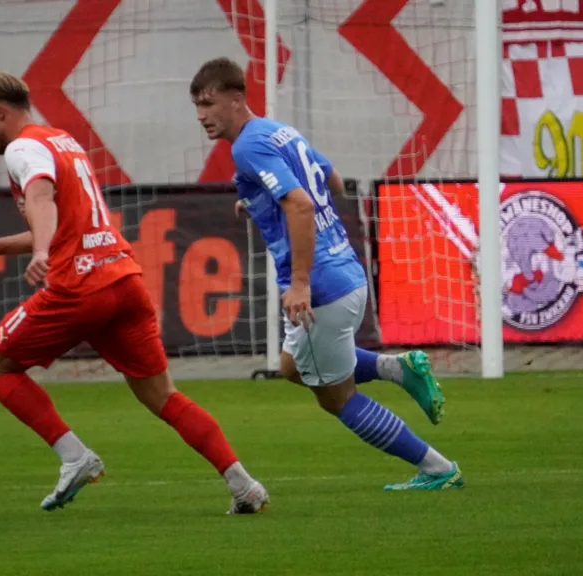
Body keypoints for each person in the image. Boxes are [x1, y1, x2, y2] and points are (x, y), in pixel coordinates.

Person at [0, 70, 268, 513]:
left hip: (79, 287)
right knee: (163, 396)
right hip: (123, 280)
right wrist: (1, 246)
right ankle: (244, 485)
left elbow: (42, 201)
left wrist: (41, 251)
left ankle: (74, 456)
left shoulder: (22, 148)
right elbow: (70, 223)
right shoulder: (62, 140)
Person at [189, 57, 464, 491]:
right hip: (346, 272)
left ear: (237, 98)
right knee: (292, 366)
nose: (201, 115)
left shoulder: (246, 148)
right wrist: (260, 201)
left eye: (208, 103)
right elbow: (332, 180)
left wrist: (300, 283)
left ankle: (437, 468)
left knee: (337, 398)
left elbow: (300, 204)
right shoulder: (278, 131)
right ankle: (398, 369)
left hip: (320, 289)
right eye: (197, 106)